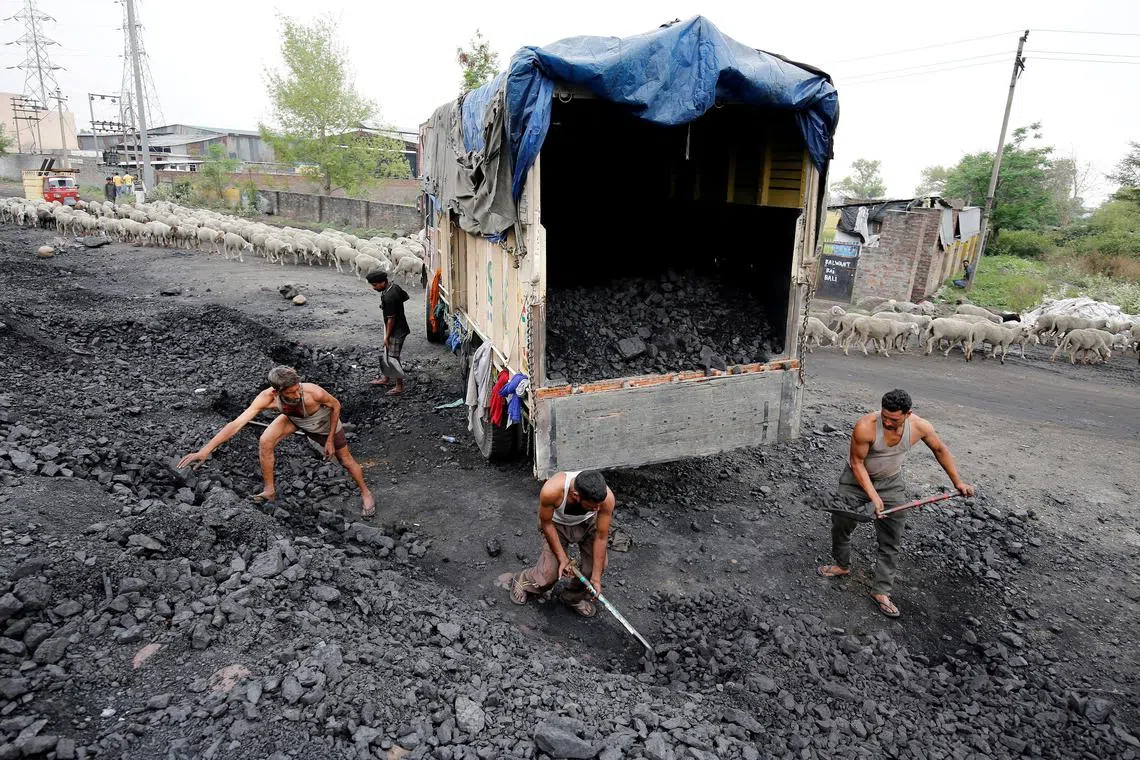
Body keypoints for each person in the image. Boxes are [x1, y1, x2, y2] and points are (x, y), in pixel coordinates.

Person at [817, 389, 974, 618]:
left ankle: (881, 590)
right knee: (841, 524)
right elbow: (857, 462)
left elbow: (940, 450)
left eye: (894, 419)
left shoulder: (920, 426)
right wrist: (873, 497)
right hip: (855, 481)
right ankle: (842, 564)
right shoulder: (866, 426)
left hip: (891, 483)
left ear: (908, 414)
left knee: (891, 539)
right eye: (885, 417)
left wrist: (958, 482)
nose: (888, 422)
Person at [178, 366, 376, 517]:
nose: (296, 394)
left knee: (346, 461)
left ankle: (366, 493)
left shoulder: (314, 392)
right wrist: (205, 450)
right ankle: (269, 490)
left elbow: (336, 406)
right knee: (265, 440)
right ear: (276, 392)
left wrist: (330, 440)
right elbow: (236, 424)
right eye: (290, 393)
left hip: (322, 423)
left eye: (297, 389)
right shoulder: (267, 398)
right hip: (293, 420)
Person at [510, 470, 616, 617]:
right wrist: (562, 559)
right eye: (593, 506)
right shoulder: (552, 491)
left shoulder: (606, 499)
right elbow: (546, 524)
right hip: (555, 524)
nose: (598, 509)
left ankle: (572, 598)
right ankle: (524, 580)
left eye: (599, 505)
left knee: (596, 567)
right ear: (576, 496)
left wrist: (596, 578)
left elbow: (601, 537)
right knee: (550, 574)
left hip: (587, 524)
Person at [366, 271, 410, 395]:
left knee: (393, 357)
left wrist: (387, 336)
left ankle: (399, 387)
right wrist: (388, 306)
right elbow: (405, 297)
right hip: (396, 327)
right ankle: (385, 378)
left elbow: (391, 319)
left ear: (382, 282)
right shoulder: (394, 287)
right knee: (387, 352)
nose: (374, 288)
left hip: (396, 330)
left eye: (375, 285)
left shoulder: (389, 296)